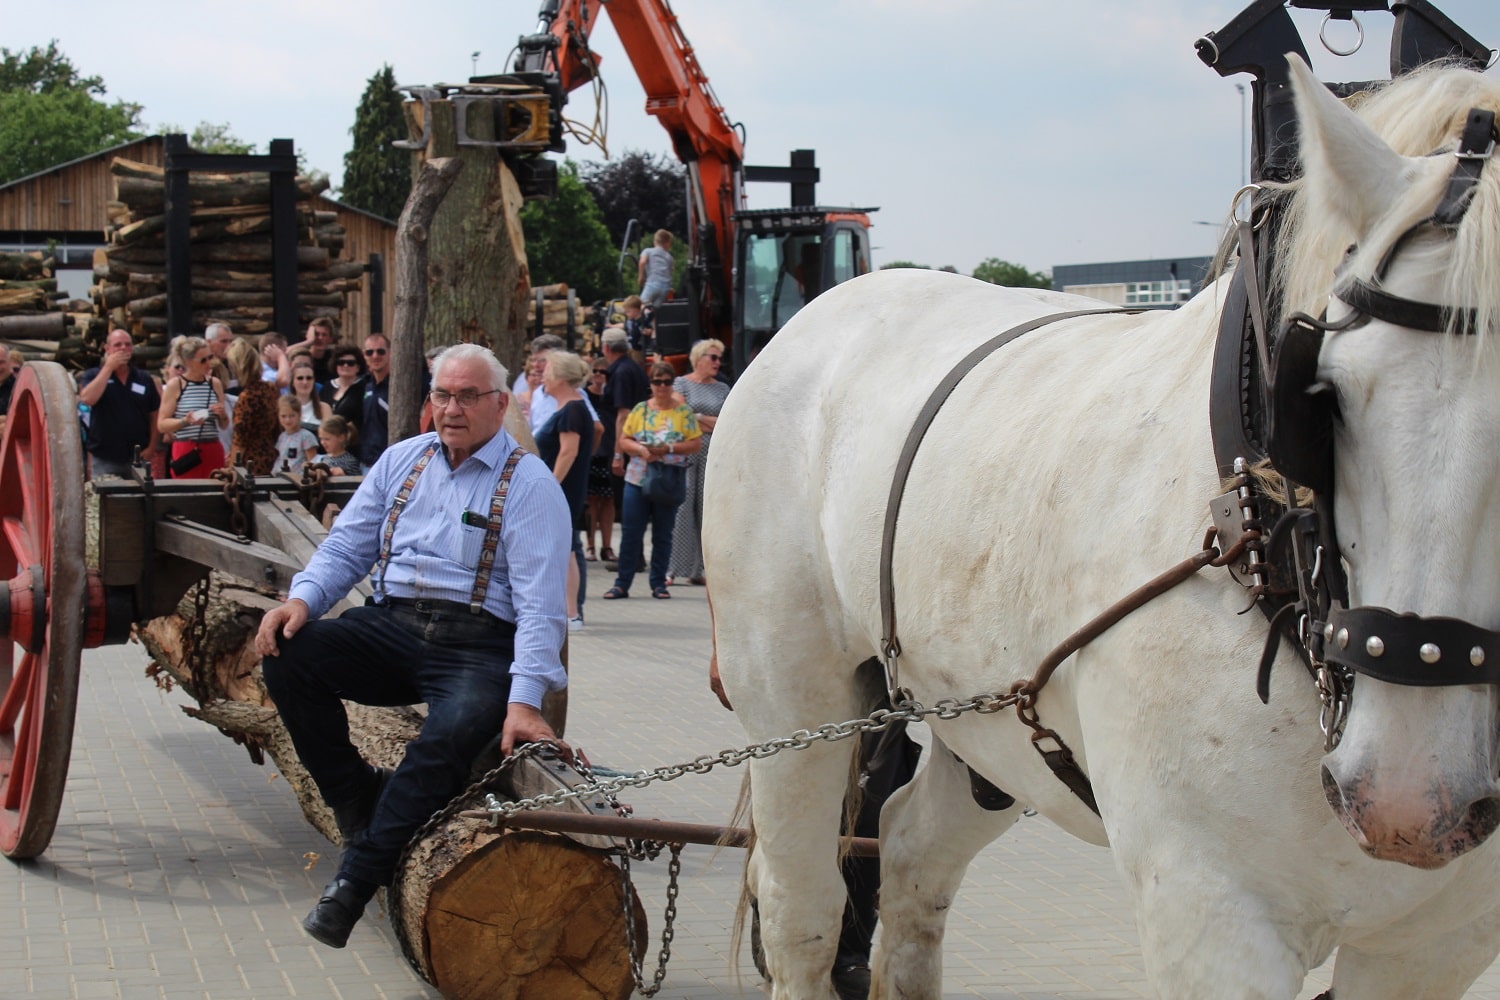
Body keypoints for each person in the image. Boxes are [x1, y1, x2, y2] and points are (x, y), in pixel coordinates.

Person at [256, 343, 572, 950]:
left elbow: (541, 605)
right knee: (291, 656)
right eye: (443, 395)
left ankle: (354, 882)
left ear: (500, 404)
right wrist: (302, 601)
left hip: (477, 645)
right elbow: (347, 546)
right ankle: (355, 798)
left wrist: (525, 699)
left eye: (468, 396)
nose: (452, 409)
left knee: (447, 738)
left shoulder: (530, 484)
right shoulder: (403, 459)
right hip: (393, 626)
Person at [602, 362, 701, 600]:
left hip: (668, 479)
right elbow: (625, 439)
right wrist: (640, 450)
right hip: (638, 477)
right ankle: (622, 583)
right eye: (657, 382)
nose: (662, 387)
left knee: (663, 534)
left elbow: (695, 443)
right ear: (651, 384)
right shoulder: (640, 410)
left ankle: (658, 583)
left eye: (667, 382)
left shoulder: (683, 412)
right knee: (631, 532)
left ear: (672, 383)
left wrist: (668, 448)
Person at [532, 351, 594, 630]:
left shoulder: (572, 410)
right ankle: (567, 610)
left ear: (560, 376)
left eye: (547, 370)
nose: (543, 376)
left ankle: (571, 613)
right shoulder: (570, 408)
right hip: (563, 490)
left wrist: (551, 485)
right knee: (564, 548)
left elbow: (569, 452)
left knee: (566, 550)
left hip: (564, 491)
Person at [668, 339, 731, 586]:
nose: (717, 362)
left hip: (714, 453)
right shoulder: (681, 383)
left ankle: (701, 569)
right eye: (713, 357)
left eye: (719, 358)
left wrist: (698, 416)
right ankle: (674, 569)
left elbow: (726, 422)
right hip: (688, 449)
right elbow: (681, 418)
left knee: (707, 509)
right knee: (682, 507)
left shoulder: (722, 388)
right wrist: (708, 421)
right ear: (698, 358)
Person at [78, 328, 160, 478]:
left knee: (140, 493)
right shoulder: (93, 374)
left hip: (138, 456)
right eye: (117, 345)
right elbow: (88, 399)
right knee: (106, 493)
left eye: (127, 344)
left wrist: (152, 446)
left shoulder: (143, 378)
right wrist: (108, 368)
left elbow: (154, 414)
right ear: (107, 349)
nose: (123, 348)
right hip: (105, 457)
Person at [601, 328, 648, 569]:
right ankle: (634, 555)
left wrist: (618, 453)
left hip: (624, 445)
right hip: (636, 442)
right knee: (631, 504)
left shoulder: (620, 372)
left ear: (606, 348)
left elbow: (623, 414)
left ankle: (631, 558)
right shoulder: (633, 368)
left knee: (626, 505)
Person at [157, 337, 227, 479]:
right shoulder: (176, 385)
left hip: (212, 447)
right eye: (203, 360)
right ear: (188, 362)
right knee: (188, 490)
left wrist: (222, 414)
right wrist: (185, 421)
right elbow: (162, 424)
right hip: (187, 449)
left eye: (210, 357)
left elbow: (224, 425)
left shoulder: (215, 384)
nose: (208, 363)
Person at [227, 337, 280, 475]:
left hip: (250, 463)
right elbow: (277, 427)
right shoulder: (271, 389)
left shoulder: (247, 397)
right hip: (271, 456)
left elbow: (240, 440)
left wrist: (231, 469)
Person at [583, 359, 615, 562]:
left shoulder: (612, 395)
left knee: (609, 501)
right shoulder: (584, 395)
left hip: (610, 450)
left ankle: (607, 546)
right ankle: (590, 545)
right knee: (591, 500)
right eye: (594, 371)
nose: (598, 374)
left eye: (603, 371)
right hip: (592, 452)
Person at [353, 333, 391, 469]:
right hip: (365, 463)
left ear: (390, 353)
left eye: (380, 351)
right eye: (370, 352)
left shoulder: (399, 388)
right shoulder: (363, 385)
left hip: (391, 463)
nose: (375, 356)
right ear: (364, 355)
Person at [274, 395, 319, 474]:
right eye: (283, 416)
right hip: (280, 477)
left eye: (292, 416)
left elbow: (313, 463)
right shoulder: (282, 437)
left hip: (298, 478)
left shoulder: (306, 437)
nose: (287, 420)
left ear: (299, 414)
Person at [325, 344, 366, 427]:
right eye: (341, 362)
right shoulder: (327, 387)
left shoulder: (364, 387)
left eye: (351, 363)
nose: (345, 365)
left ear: (358, 367)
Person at [288, 318, 336, 384]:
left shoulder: (333, 358)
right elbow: (282, 354)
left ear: (330, 339)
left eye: (324, 335)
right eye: (316, 334)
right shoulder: (303, 356)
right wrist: (309, 341)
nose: (320, 338)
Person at [289, 360, 332, 431]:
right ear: (292, 382)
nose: (305, 382)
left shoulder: (324, 408)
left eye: (309, 378)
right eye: (300, 378)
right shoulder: (285, 408)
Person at [638, 229, 674, 309]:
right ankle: (652, 316)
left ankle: (642, 316)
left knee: (641, 305)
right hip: (665, 287)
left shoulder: (648, 251)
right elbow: (670, 271)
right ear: (668, 243)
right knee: (654, 309)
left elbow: (642, 262)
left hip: (652, 284)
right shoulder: (669, 257)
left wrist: (640, 277)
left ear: (655, 241)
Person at [204, 322, 239, 394]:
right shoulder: (201, 366)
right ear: (209, 342)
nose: (229, 346)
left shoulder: (235, 365)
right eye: (224, 341)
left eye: (231, 341)